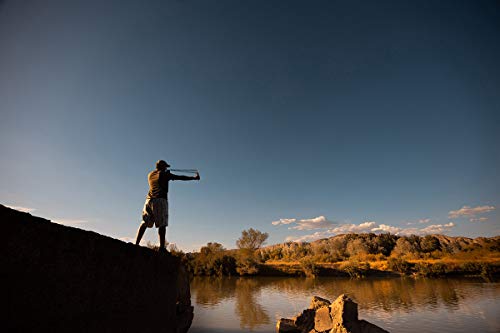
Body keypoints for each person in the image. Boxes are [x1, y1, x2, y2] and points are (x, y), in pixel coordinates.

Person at [135, 160, 200, 251]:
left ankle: (136, 243)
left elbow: (159, 178)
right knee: (162, 224)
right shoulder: (165, 174)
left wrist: (166, 174)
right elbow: (180, 177)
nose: (166, 168)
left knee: (144, 223)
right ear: (162, 166)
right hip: (160, 200)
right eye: (165, 166)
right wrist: (194, 178)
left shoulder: (150, 174)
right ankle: (162, 248)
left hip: (148, 201)